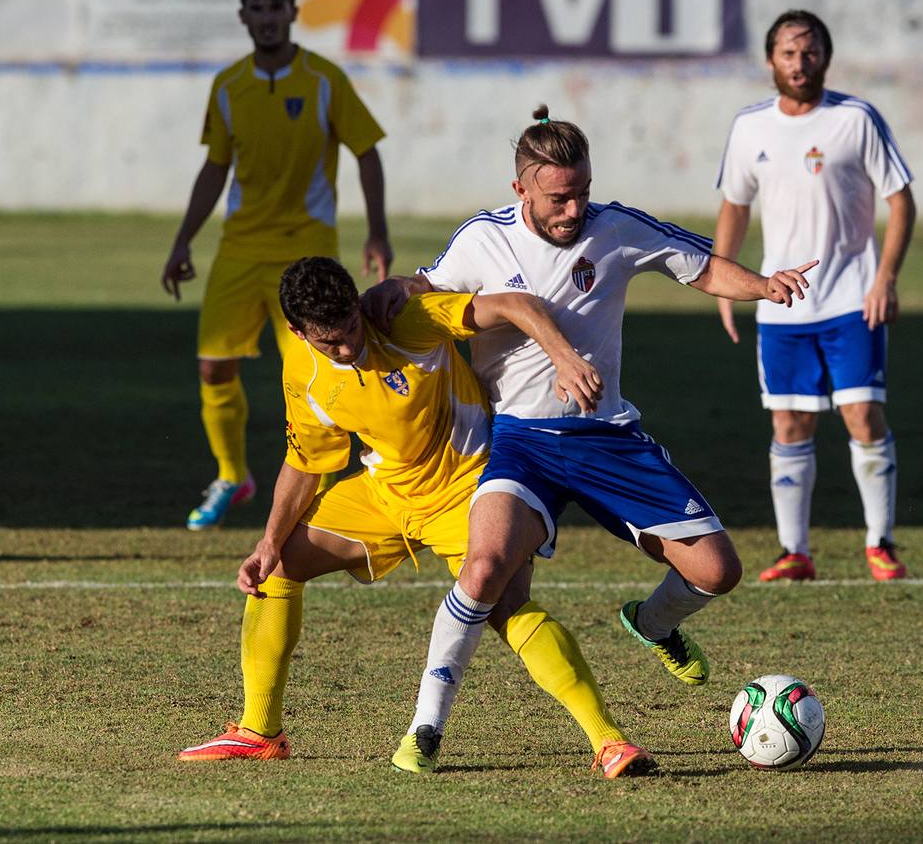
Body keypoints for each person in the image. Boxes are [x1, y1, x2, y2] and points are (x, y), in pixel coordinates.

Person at [361, 106, 817, 755]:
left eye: (581, 192)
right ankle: (425, 728)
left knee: (718, 571)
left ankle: (654, 624)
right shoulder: (482, 240)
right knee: (485, 568)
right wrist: (400, 288)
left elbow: (701, 264)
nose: (574, 210)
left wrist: (764, 286)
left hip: (607, 438)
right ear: (521, 188)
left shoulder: (616, 227)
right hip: (521, 443)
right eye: (557, 198)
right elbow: (431, 287)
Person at [178, 257, 656, 780]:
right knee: (277, 568)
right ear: (297, 331)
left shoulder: (406, 321)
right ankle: (260, 732)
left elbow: (515, 305)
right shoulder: (303, 369)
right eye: (330, 342)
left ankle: (609, 741)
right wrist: (269, 541)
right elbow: (305, 460)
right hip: (386, 493)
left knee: (506, 607)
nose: (348, 347)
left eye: (351, 330)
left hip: (470, 489)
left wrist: (562, 357)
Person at [161, 0, 393, 531]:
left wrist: (378, 229)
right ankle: (232, 474)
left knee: (318, 371)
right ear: (244, 15)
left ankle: (338, 481)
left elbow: (366, 151)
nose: (267, 17)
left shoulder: (323, 80)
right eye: (257, 8)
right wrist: (183, 239)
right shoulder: (228, 85)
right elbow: (215, 168)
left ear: (294, 12)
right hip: (239, 249)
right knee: (213, 367)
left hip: (305, 250)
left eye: (276, 7)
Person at [712, 9, 917, 582]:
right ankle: (794, 552)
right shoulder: (750, 127)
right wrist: (725, 285)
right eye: (788, 52)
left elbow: (900, 200)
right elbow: (734, 205)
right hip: (782, 304)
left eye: (809, 52)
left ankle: (880, 543)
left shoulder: (855, 119)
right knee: (788, 426)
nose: (799, 63)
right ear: (770, 59)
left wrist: (885, 279)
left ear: (825, 57)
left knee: (863, 415)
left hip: (853, 299)